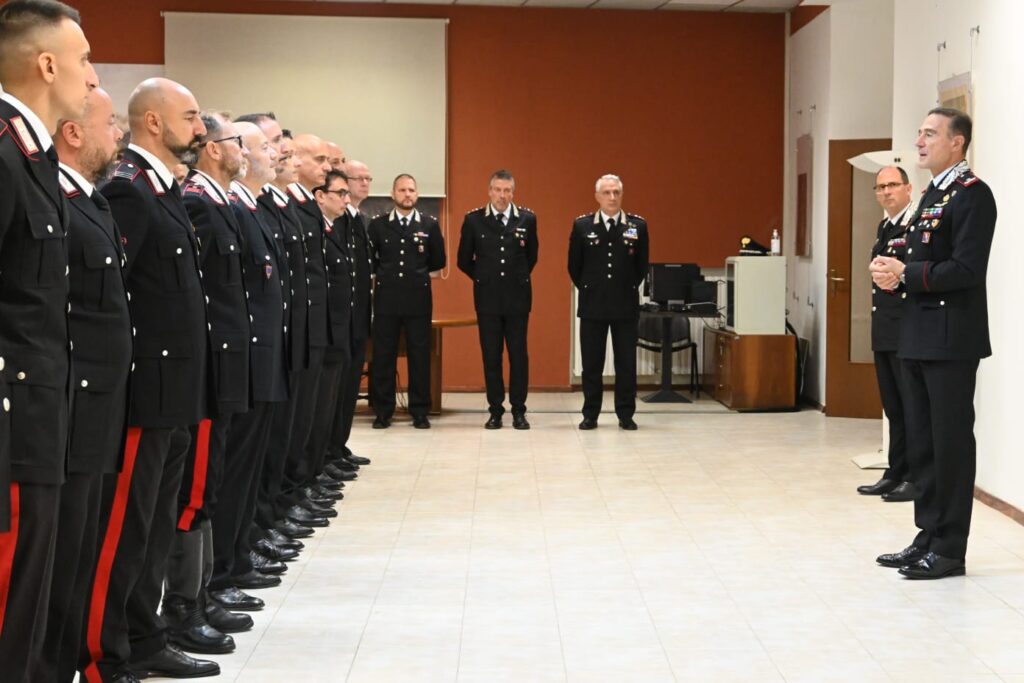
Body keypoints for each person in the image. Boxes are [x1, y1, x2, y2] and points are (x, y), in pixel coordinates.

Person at [81, 77, 219, 681]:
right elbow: (112, 299)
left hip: (176, 393)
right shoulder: (131, 192)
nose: (201, 129)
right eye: (191, 117)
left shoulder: (165, 192)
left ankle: (143, 634)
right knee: (126, 532)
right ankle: (106, 653)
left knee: (155, 528)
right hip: (145, 393)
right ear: (155, 123)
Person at [0, 2, 97, 680]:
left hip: (41, 415)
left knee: (30, 594)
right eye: (86, 58)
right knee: (11, 595)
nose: (91, 77)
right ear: (46, 63)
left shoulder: (30, 156)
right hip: (13, 419)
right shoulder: (6, 154)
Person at [871, 108, 997, 580]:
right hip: (917, 336)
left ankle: (949, 549)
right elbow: (916, 253)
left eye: (929, 134)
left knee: (949, 446)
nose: (919, 141)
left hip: (951, 340)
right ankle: (926, 535)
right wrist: (889, 267)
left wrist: (909, 273)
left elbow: (966, 271)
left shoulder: (973, 196)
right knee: (922, 445)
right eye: (919, 133)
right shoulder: (932, 193)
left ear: (957, 142)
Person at [42, 86, 132, 683]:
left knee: (80, 550)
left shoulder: (92, 203)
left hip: (98, 408)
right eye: (108, 124)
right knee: (57, 559)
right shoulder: (59, 203)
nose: (117, 135)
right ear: (74, 134)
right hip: (67, 410)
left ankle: (74, 660)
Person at [161, 112, 254, 657]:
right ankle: (184, 605)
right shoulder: (195, 199)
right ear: (216, 149)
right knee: (193, 489)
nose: (243, 150)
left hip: (220, 359)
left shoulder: (214, 200)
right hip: (200, 361)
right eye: (236, 141)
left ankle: (201, 592)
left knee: (208, 481)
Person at [457, 170, 538, 430]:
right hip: (488, 299)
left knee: (518, 356)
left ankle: (519, 410)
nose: (502, 196)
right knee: (491, 356)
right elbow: (463, 260)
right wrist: (483, 277)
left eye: (507, 191)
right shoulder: (474, 220)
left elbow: (531, 257)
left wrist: (514, 279)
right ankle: (495, 410)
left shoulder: (527, 219)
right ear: (489, 191)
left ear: (513, 192)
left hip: (518, 299)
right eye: (498, 190)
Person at [568, 174, 649, 431]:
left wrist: (623, 287)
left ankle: (625, 414)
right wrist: (592, 288)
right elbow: (574, 266)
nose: (612, 197)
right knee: (592, 363)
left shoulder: (637, 226)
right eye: (607, 192)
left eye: (616, 192)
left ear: (621, 195)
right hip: (593, 305)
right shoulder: (583, 226)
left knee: (626, 363)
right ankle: (590, 413)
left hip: (625, 305)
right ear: (597, 197)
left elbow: (641, 266)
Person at [857, 166, 917, 502]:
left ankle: (914, 476)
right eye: (880, 187)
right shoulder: (885, 226)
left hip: (907, 329)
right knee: (893, 407)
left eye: (892, 185)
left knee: (911, 407)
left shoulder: (916, 225)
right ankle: (895, 471)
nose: (886, 192)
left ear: (908, 188)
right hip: (885, 328)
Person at [368, 174, 446, 429]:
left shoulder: (429, 225)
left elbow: (438, 260)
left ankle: (420, 410)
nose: (407, 194)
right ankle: (382, 410)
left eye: (411, 190)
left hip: (418, 300)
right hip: (386, 300)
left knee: (419, 355)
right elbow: (372, 259)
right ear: (393, 194)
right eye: (402, 190)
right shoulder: (378, 225)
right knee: (383, 356)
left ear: (417, 194)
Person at [306, 170, 354, 498]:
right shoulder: (314, 231)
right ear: (320, 196)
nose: (346, 200)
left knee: (325, 407)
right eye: (340, 193)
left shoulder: (333, 228)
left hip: (336, 331)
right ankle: (309, 472)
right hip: (320, 332)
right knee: (314, 410)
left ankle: (319, 464)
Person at [329, 160, 375, 468]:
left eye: (368, 179)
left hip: (358, 316)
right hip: (340, 318)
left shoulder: (360, 219)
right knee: (336, 391)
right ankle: (329, 451)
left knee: (348, 388)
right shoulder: (339, 220)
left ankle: (339, 446)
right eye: (358, 179)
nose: (364, 184)